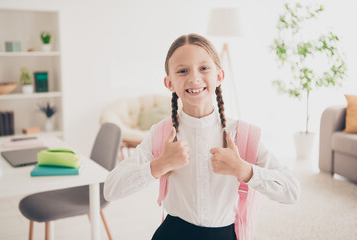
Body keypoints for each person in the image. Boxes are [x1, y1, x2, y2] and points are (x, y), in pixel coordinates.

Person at [104, 33, 300, 240]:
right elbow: (111, 189)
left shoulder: (243, 135)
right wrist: (160, 164)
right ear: (169, 83)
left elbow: (291, 191)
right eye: (182, 71)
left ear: (219, 76)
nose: (194, 78)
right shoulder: (161, 134)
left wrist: (243, 169)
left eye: (204, 68)